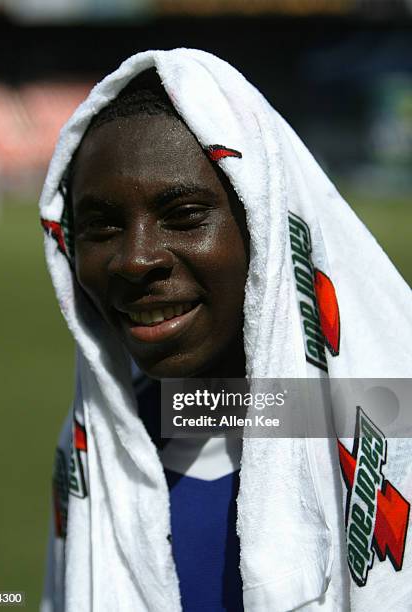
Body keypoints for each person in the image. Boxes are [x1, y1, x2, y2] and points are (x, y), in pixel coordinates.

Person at [39, 49, 412, 611]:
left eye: (185, 215)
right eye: (101, 225)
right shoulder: (99, 446)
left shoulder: (387, 427)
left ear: (265, 225)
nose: (134, 261)